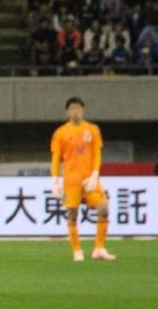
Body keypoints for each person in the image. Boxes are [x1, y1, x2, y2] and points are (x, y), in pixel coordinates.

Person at [50, 96, 116, 262]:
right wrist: (55, 180)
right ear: (67, 112)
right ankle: (77, 251)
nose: (76, 111)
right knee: (72, 214)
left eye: (78, 108)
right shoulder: (60, 133)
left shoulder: (93, 129)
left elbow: (97, 153)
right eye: (72, 108)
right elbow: (56, 158)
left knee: (103, 208)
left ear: (83, 110)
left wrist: (95, 174)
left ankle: (99, 249)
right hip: (71, 180)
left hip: (89, 180)